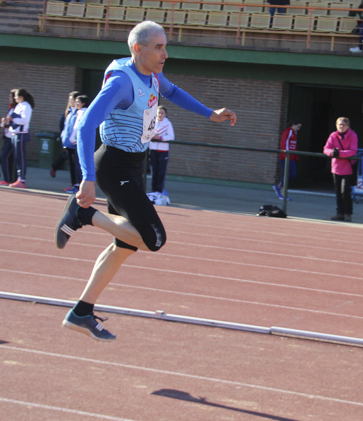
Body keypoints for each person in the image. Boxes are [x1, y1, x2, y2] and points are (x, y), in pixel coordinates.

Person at [54, 20, 237, 341]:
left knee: (124, 246)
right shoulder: (121, 83)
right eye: (158, 47)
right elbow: (84, 126)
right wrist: (87, 178)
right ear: (138, 49)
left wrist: (210, 113)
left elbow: (173, 91)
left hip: (131, 166)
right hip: (113, 167)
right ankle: (84, 214)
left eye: (166, 46)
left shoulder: (151, 73)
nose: (165, 53)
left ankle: (81, 311)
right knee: (153, 239)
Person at [323, 117, 358, 222]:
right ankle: (340, 213)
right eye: (339, 124)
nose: (341, 127)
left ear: (348, 126)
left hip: (347, 168)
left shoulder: (353, 135)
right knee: (338, 191)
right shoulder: (333, 135)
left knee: (345, 191)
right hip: (336, 167)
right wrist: (332, 153)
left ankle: (348, 213)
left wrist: (339, 154)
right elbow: (326, 148)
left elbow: (353, 151)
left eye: (343, 125)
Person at [3, 88, 34, 188]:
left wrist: (13, 119)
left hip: (21, 134)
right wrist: (7, 121)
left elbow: (24, 120)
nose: (14, 98)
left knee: (20, 157)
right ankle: (18, 178)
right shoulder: (19, 106)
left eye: (16, 96)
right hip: (14, 133)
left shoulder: (26, 106)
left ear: (21, 97)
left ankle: (22, 179)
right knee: (16, 157)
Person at [62, 94, 88, 194]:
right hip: (77, 140)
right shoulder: (77, 111)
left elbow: (77, 126)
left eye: (78, 102)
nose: (76, 104)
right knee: (76, 164)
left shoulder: (82, 112)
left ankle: (78, 186)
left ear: (83, 103)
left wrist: (73, 137)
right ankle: (77, 185)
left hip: (78, 141)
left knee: (78, 164)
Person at [51, 91, 80, 180]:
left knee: (73, 162)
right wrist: (64, 136)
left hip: (73, 141)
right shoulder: (69, 112)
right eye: (70, 99)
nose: (70, 101)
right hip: (68, 141)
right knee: (70, 160)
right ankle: (74, 183)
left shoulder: (78, 112)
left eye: (72, 99)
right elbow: (63, 124)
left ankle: (75, 183)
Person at [149, 105, 175, 198]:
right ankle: (153, 190)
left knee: (161, 171)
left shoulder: (168, 124)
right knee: (154, 170)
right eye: (159, 113)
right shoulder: (152, 122)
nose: (160, 114)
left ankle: (159, 190)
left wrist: (160, 138)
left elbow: (171, 137)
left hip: (163, 150)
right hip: (153, 149)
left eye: (162, 113)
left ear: (165, 114)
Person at [273, 118, 300, 200]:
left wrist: (295, 156)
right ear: (293, 125)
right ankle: (282, 193)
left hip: (292, 157)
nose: (298, 129)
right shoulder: (288, 132)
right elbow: (285, 143)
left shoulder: (295, 133)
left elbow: (294, 146)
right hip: (286, 157)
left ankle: (278, 186)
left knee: (292, 174)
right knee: (287, 174)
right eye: (297, 127)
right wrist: (286, 155)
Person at [0, 90, 17, 185]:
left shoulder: (16, 109)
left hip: (11, 136)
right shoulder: (11, 108)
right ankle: (10, 178)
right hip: (7, 136)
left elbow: (13, 122)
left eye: (10, 97)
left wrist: (6, 123)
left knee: (4, 156)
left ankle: (7, 179)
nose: (9, 99)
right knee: (9, 158)